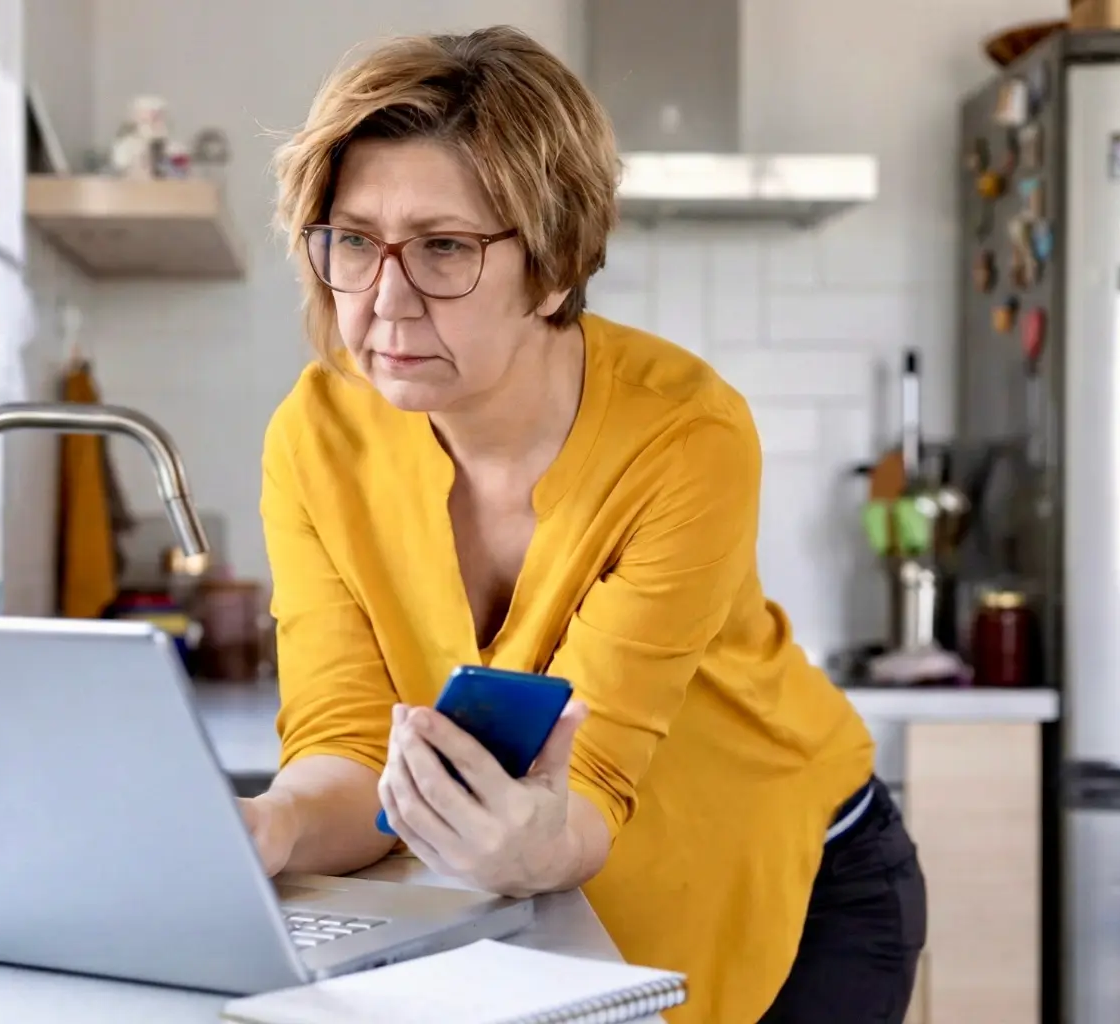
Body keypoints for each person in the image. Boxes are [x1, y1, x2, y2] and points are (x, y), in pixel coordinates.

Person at [239, 24, 926, 1024]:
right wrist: (266, 827)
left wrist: (530, 848)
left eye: (443, 247)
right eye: (353, 240)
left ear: (555, 265)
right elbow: (347, 740)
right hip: (566, 908)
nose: (385, 301)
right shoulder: (316, 436)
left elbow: (592, 778)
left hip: (803, 877)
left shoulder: (685, 436)